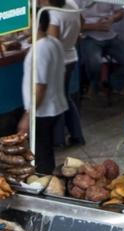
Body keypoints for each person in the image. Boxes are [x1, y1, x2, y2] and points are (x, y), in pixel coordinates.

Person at [19, 10, 67, 176]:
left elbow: (40, 86)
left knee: (40, 156)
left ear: (38, 24)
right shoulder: (53, 43)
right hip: (55, 106)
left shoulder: (39, 51)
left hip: (42, 111)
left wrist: (28, 116)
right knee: (45, 151)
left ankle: (44, 186)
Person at [75, 2, 124, 100]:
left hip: (110, 36)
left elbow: (120, 11)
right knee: (94, 62)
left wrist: (113, 18)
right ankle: (94, 85)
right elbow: (72, 23)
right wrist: (94, 26)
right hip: (88, 37)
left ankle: (107, 85)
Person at [46, 0, 84, 147]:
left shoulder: (53, 14)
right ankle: (77, 135)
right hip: (71, 57)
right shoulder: (72, 5)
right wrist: (74, 36)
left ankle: (58, 140)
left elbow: (53, 44)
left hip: (59, 63)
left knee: (56, 101)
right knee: (65, 98)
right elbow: (83, 21)